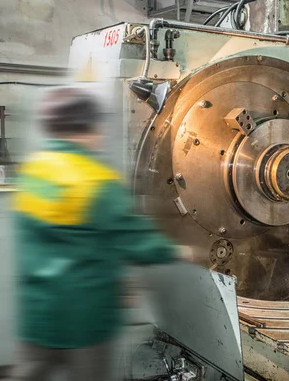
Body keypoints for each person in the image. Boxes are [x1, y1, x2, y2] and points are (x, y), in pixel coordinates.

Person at [11, 87, 185, 380]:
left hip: (38, 317)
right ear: (88, 128)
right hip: (85, 322)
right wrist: (179, 251)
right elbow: (136, 241)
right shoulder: (97, 180)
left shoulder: (33, 172)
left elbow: (59, 239)